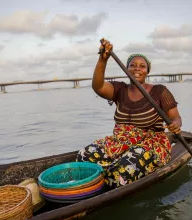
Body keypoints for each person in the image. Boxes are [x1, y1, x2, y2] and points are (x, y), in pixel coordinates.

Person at [76, 39, 182, 189]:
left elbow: (175, 118)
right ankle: (102, 179)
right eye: (132, 65)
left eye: (142, 66)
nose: (137, 69)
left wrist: (175, 125)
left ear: (147, 71)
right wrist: (103, 59)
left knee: (123, 171)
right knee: (84, 155)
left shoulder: (160, 91)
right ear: (126, 69)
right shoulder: (119, 89)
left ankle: (112, 178)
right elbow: (98, 86)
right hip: (121, 141)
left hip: (150, 143)